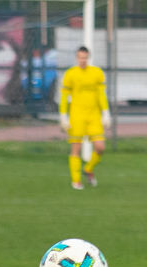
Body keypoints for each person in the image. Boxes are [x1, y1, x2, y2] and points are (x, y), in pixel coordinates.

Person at [59, 46, 111, 190]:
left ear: (88, 58)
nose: (82, 60)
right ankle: (76, 180)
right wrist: (64, 116)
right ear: (76, 58)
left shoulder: (96, 73)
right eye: (80, 57)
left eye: (85, 57)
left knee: (100, 147)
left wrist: (106, 113)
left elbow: (101, 95)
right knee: (76, 148)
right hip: (77, 115)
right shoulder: (70, 74)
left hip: (94, 115)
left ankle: (88, 169)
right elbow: (64, 97)